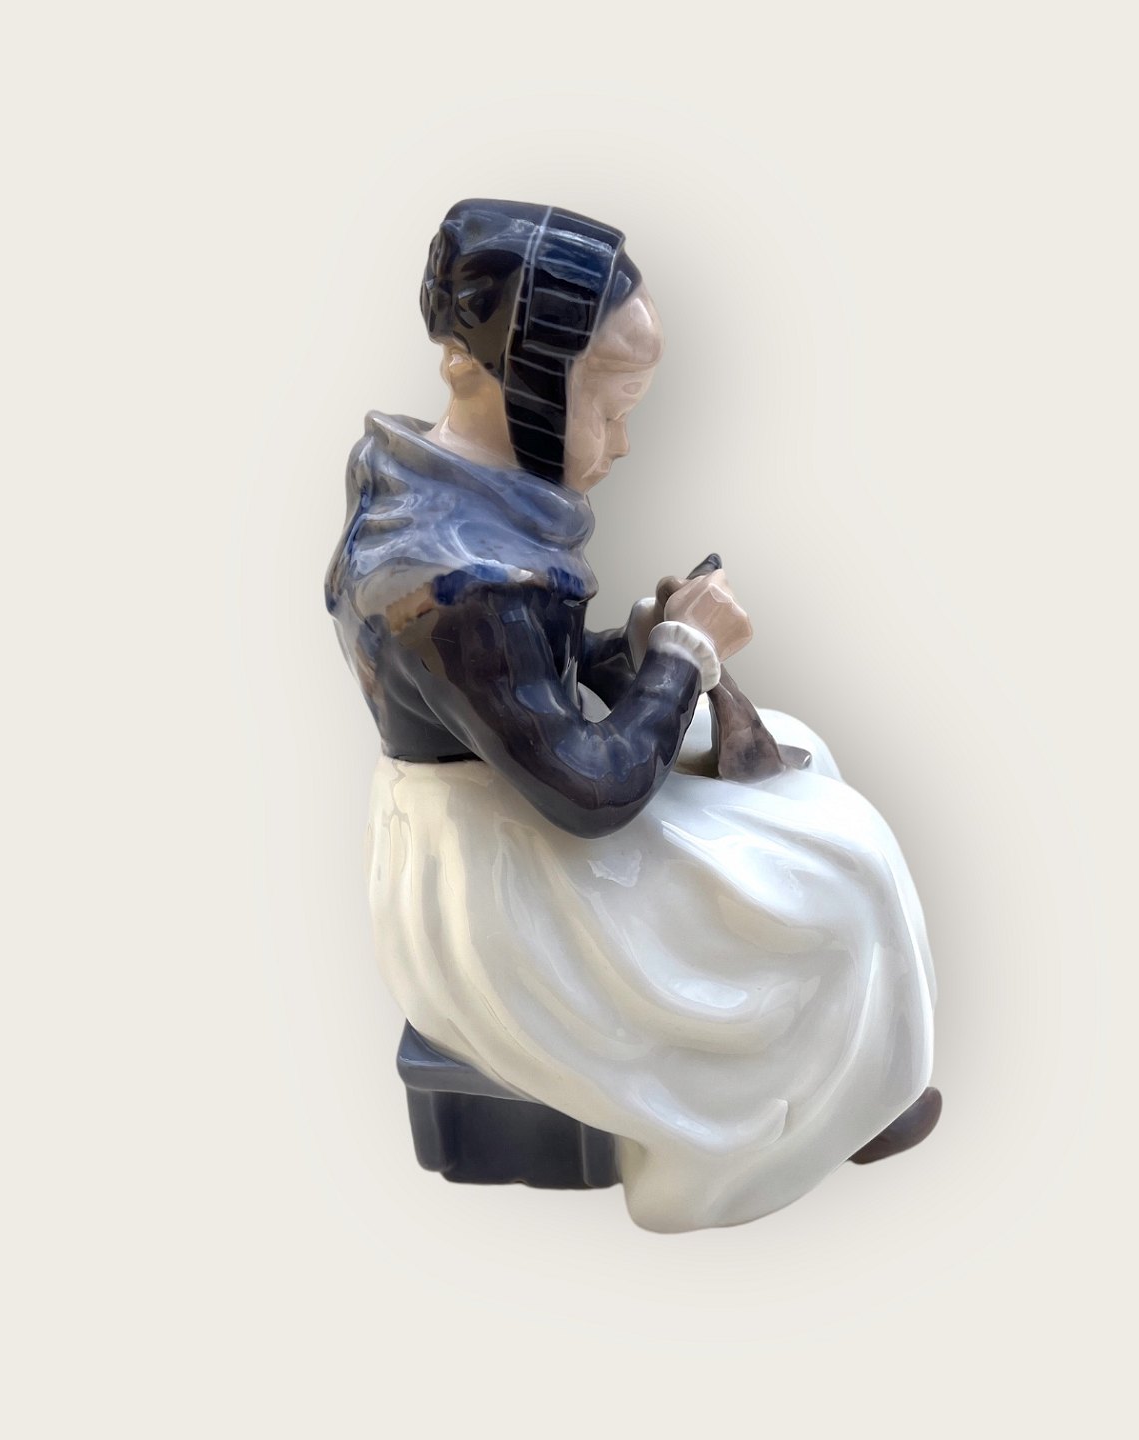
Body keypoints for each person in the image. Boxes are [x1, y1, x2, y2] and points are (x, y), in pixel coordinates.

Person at [327, 200, 938, 1231]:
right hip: (500, 876)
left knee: (805, 755)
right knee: (845, 862)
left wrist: (640, 647)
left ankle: (852, 1071)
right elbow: (590, 793)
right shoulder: (455, 578)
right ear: (521, 380)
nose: (620, 441)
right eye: (608, 408)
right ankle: (801, 1104)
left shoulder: (451, 504)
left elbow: (522, 689)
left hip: (515, 793)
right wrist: (682, 658)